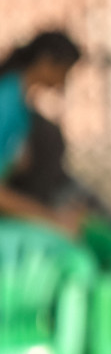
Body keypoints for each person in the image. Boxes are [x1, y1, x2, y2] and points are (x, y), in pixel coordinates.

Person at [0, 30, 87, 235]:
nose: (64, 82)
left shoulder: (17, 101)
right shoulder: (8, 104)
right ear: (46, 62)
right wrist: (52, 219)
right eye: (64, 71)